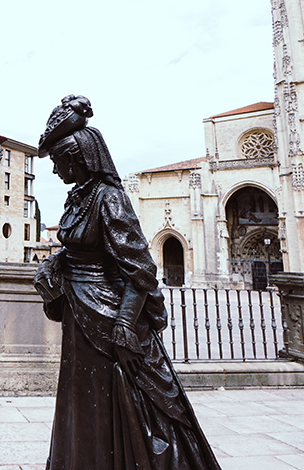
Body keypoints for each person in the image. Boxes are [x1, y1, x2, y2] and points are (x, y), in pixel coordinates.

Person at [34, 95, 221, 470]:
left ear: (78, 157)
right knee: (84, 398)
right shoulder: (77, 199)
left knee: (122, 399)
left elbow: (140, 269)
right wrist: (53, 264)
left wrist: (124, 324)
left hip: (109, 319)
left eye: (57, 162)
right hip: (80, 315)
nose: (54, 171)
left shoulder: (110, 199)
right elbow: (80, 249)